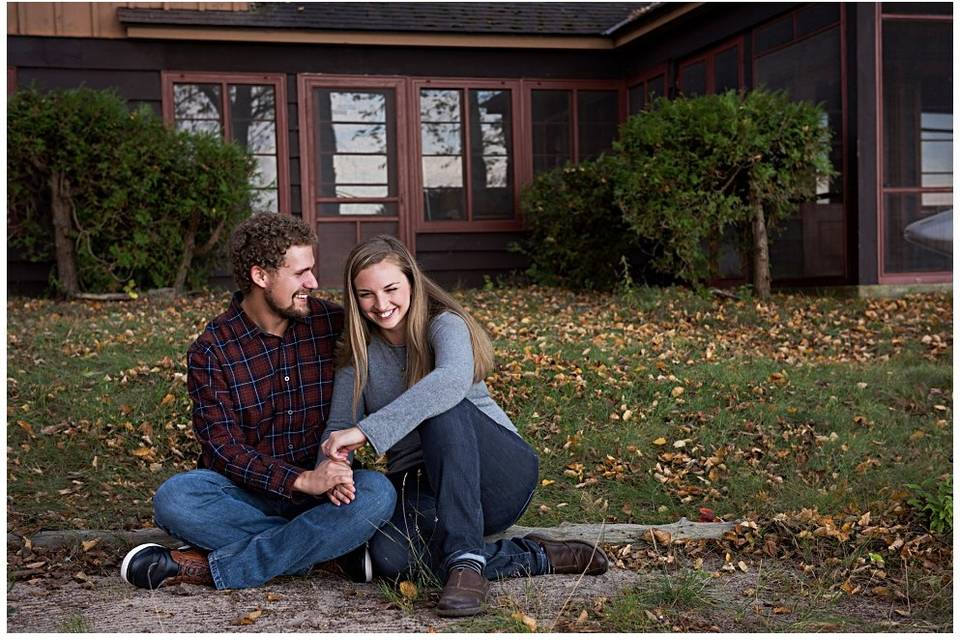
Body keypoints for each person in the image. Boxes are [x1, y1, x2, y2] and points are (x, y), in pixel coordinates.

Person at [320, 235, 608, 618]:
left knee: (441, 404)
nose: (381, 304)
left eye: (391, 288)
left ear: (412, 282)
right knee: (385, 561)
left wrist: (367, 432)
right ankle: (532, 555)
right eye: (366, 294)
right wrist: (336, 465)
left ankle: (469, 564)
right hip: (426, 485)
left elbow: (451, 381)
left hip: (497, 475)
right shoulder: (359, 353)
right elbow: (338, 427)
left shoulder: (444, 324)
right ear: (355, 298)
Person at [120, 213, 396, 591]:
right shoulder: (213, 350)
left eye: (311, 270)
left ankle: (211, 566)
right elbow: (223, 450)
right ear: (260, 276)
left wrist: (323, 475)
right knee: (176, 498)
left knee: (377, 494)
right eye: (300, 273)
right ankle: (327, 551)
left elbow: (400, 327)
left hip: (326, 493)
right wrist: (302, 480)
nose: (313, 283)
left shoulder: (333, 325)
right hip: (243, 497)